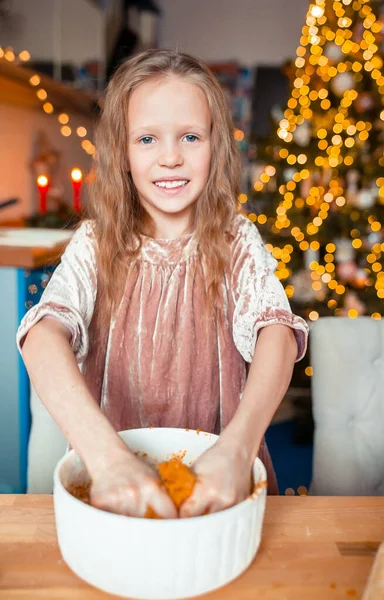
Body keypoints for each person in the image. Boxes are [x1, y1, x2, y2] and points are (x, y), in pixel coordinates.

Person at [17, 49, 308, 519]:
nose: (170, 157)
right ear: (123, 154)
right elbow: (42, 337)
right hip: (115, 486)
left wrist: (238, 449)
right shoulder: (96, 243)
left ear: (215, 147)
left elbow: (275, 334)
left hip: (221, 481)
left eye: (190, 136)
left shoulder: (235, 239)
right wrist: (108, 459)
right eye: (148, 138)